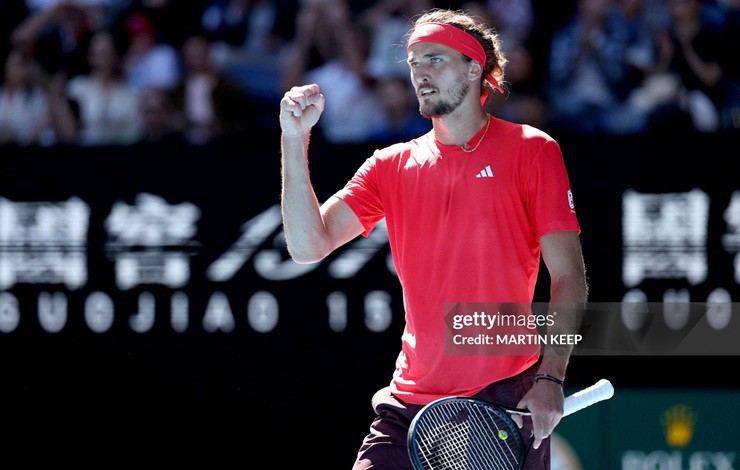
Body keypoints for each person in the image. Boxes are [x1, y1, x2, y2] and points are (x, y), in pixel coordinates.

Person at [279, 8, 588, 469]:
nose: (419, 74)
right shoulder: (388, 165)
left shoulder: (533, 150)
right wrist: (293, 139)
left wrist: (551, 378)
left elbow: (569, 276)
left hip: (502, 396)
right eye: (413, 63)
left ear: (473, 68)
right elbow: (308, 246)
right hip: (408, 405)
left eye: (434, 60)